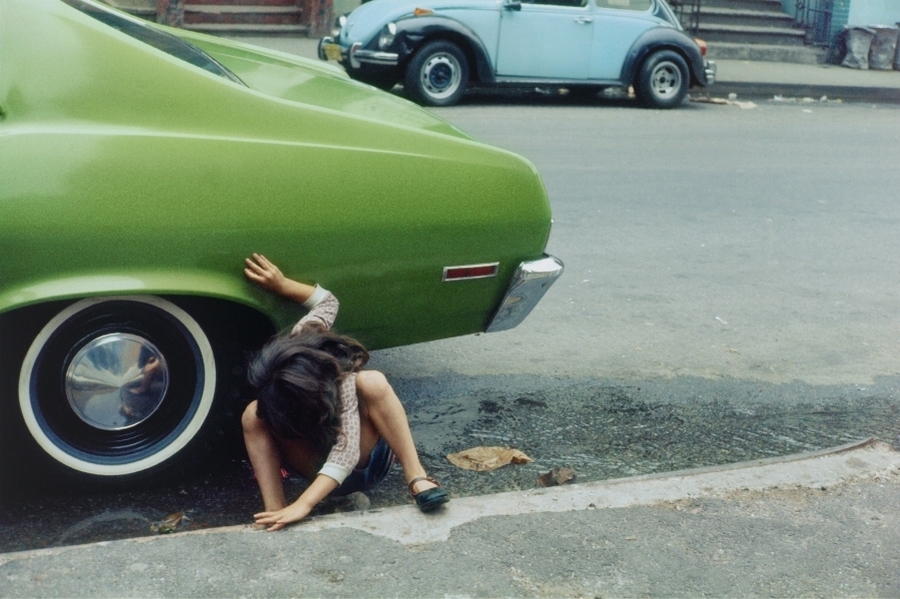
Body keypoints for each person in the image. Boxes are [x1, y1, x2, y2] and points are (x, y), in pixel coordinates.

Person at [241, 253, 449, 531]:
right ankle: (275, 509)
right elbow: (328, 301)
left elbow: (346, 454)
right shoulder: (303, 337)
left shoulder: (344, 383)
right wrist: (281, 285)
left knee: (373, 382)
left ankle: (417, 477)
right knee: (253, 413)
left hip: (361, 466)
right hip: (313, 464)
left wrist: (305, 504)